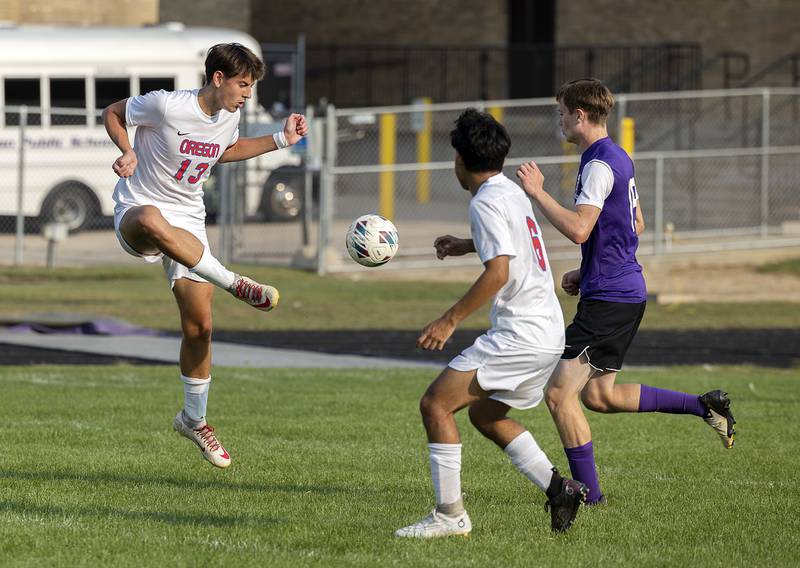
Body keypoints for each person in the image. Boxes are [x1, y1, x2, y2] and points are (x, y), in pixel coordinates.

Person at [515, 78, 736, 505]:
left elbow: (581, 227)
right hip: (621, 289)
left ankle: (589, 498)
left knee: (560, 395)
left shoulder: (598, 163)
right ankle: (704, 405)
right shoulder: (618, 156)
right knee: (601, 395)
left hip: (612, 297)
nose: (559, 121)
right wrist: (589, 268)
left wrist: (537, 192)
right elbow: (635, 224)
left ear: (580, 115)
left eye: (561, 113)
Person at [103, 43, 308, 469]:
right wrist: (127, 149)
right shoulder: (165, 105)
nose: (247, 94)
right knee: (151, 217)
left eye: (250, 86)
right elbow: (113, 112)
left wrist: (280, 139)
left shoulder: (229, 116)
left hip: (189, 220)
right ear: (218, 79)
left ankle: (193, 419)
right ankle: (234, 282)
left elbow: (223, 152)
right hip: (137, 210)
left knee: (200, 327)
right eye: (243, 85)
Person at [395, 108, 587, 539]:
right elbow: (512, 247)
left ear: (461, 160)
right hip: (547, 331)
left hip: (520, 334)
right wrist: (466, 245)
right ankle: (560, 489)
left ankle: (450, 516)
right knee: (485, 414)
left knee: (435, 405)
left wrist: (449, 320)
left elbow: (499, 272)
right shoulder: (510, 191)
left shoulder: (484, 202)